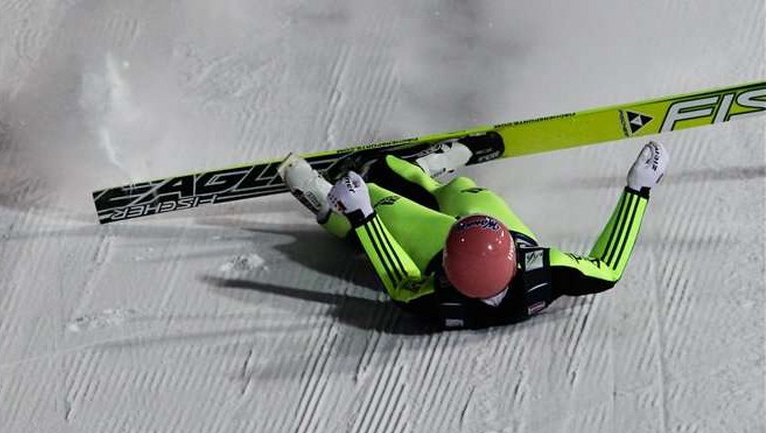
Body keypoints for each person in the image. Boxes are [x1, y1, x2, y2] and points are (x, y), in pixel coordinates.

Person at [278, 138, 669, 330]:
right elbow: (609, 267)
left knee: (383, 196)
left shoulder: (435, 298)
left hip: (435, 247)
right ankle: (423, 171)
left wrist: (362, 215)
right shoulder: (546, 268)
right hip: (495, 235)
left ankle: (329, 207)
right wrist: (640, 187)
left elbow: (399, 280)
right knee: (466, 191)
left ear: (448, 271)